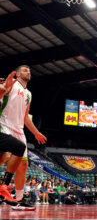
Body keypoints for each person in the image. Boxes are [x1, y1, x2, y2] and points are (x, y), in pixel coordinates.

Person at [0, 66, 47, 210]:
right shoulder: (11, 83)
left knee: (23, 166)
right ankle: (4, 188)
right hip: (5, 125)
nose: (28, 72)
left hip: (19, 130)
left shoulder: (29, 93)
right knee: (3, 157)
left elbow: (25, 116)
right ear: (18, 73)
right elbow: (1, 93)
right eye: (25, 70)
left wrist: (36, 132)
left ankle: (18, 201)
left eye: (29, 70)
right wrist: (4, 87)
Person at [0, 72, 28, 205]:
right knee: (5, 156)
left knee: (13, 150)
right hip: (4, 127)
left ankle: (4, 187)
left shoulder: (4, 93)